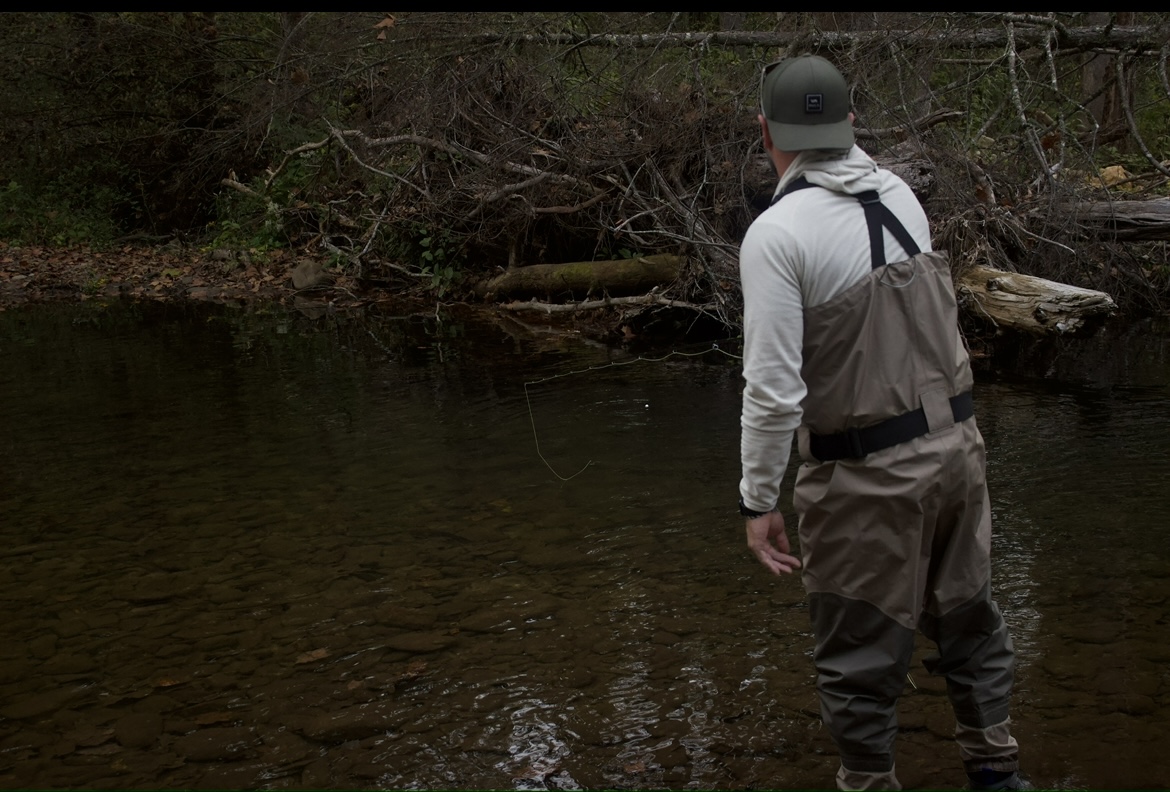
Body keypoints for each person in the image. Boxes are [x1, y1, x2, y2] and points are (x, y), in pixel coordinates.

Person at [737, 54, 1025, 791]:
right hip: (958, 453)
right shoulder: (901, 195)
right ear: (851, 123)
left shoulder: (777, 235)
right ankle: (996, 771)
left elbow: (772, 392)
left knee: (859, 653)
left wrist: (758, 501)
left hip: (868, 477)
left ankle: (868, 784)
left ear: (766, 131)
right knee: (970, 620)